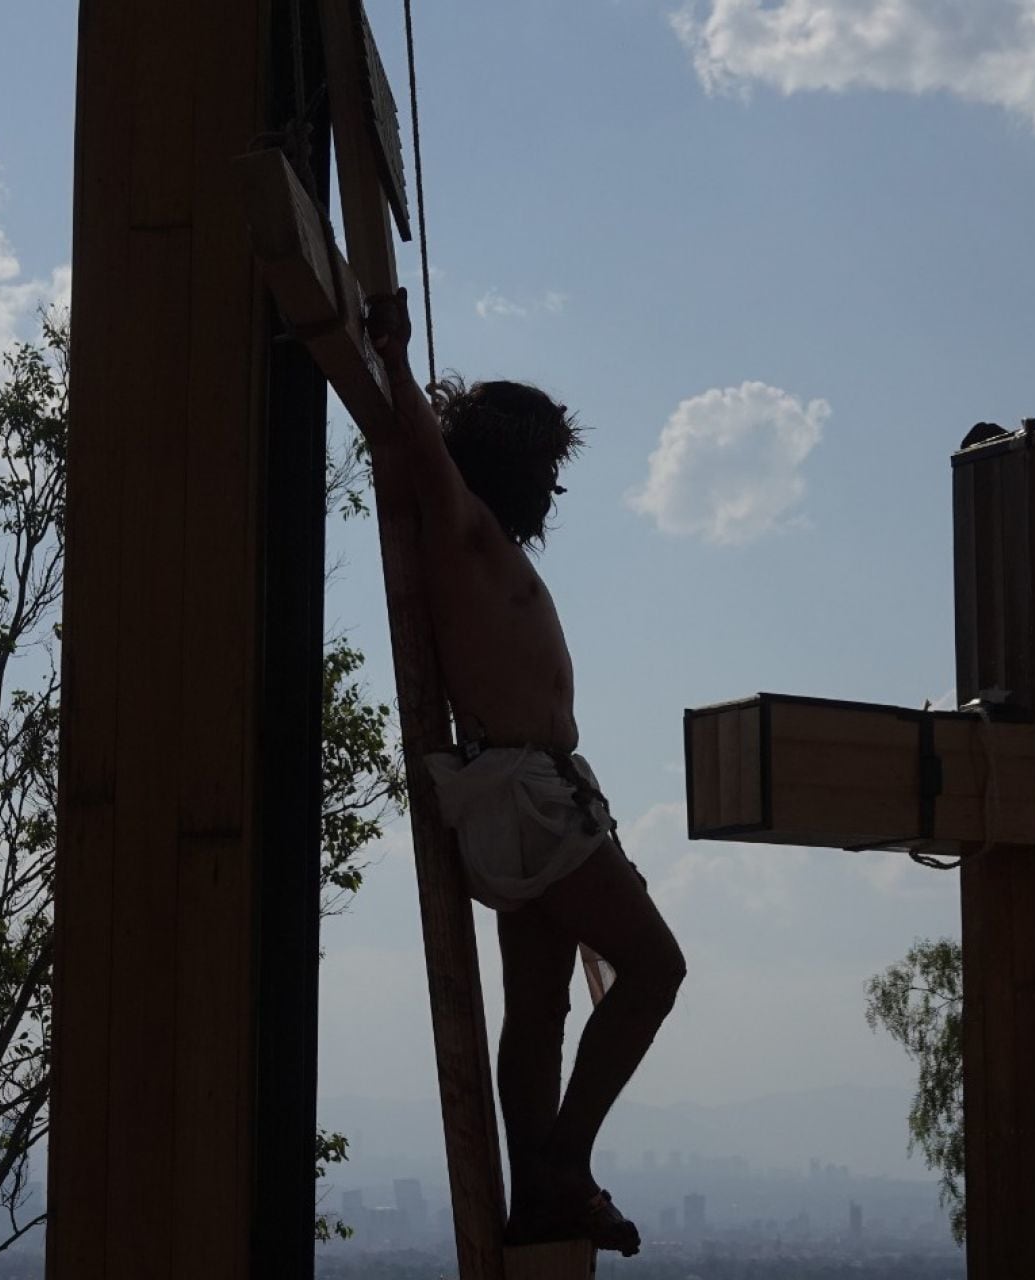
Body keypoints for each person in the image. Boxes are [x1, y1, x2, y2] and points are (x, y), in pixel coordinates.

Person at [362, 288, 686, 1257]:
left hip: (533, 796)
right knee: (656, 967)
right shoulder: (461, 526)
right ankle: (557, 1166)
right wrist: (395, 352)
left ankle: (542, 1190)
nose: (553, 486)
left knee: (539, 1010)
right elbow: (420, 447)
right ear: (508, 460)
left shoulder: (485, 543)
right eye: (545, 464)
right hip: (528, 796)